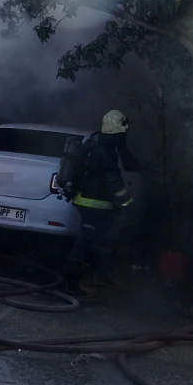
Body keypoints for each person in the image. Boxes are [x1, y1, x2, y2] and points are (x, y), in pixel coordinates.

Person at [59, 109, 134, 296]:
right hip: (92, 204)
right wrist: (128, 204)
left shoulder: (96, 141)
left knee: (110, 236)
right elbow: (113, 179)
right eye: (123, 131)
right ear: (117, 131)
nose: (124, 135)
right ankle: (72, 284)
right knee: (84, 241)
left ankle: (100, 276)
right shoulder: (105, 150)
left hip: (96, 203)